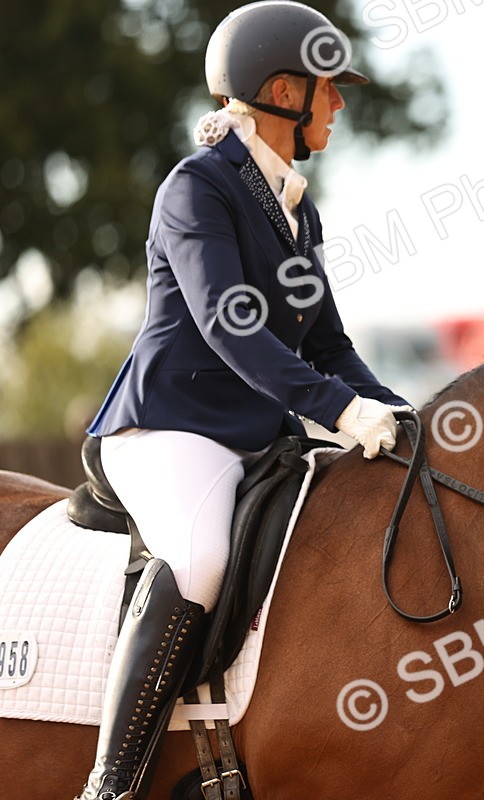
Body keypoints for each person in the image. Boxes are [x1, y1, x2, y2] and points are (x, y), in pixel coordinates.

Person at [75, 3, 409, 798]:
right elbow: (233, 328)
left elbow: (326, 343)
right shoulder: (197, 190)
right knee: (199, 559)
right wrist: (338, 410)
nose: (339, 104)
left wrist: (403, 411)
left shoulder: (297, 208)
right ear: (284, 90)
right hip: (169, 428)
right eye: (330, 89)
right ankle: (111, 784)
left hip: (256, 436)